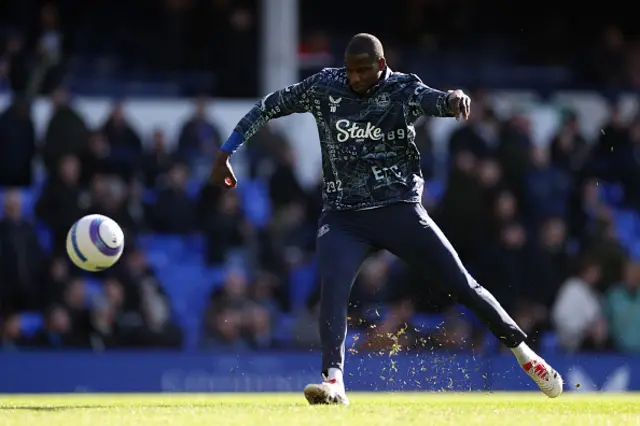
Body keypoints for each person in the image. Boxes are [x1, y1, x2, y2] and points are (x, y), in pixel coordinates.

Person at [210, 33, 563, 405]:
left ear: (380, 66)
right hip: (344, 215)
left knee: (462, 285)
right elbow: (269, 105)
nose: (355, 78)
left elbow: (436, 100)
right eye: (351, 71)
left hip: (399, 209)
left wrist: (454, 99)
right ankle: (334, 382)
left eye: (363, 71)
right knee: (332, 291)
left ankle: (528, 356)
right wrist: (225, 152)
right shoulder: (325, 86)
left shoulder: (402, 89)